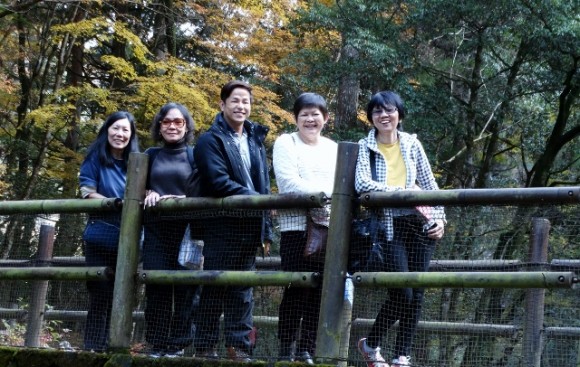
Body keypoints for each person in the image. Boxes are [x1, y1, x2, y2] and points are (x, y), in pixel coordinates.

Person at [354, 91, 445, 367]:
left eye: (390, 110)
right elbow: (362, 185)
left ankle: (401, 356)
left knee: (417, 293)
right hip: (388, 227)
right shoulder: (364, 146)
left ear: (399, 115)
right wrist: (403, 191)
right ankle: (371, 345)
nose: (384, 115)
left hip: (419, 225)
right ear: (371, 117)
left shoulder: (412, 145)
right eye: (378, 111)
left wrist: (440, 219)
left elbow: (430, 186)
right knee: (402, 291)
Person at [193, 80, 273, 362]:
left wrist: (264, 213)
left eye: (246, 101)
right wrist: (257, 199)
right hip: (223, 223)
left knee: (243, 289)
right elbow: (217, 181)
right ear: (222, 104)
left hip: (251, 224)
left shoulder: (254, 140)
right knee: (215, 285)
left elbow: (261, 181)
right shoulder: (209, 140)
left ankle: (238, 348)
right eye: (235, 100)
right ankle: (204, 347)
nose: (241, 106)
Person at [273, 93, 337, 364]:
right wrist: (325, 198)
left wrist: (329, 201)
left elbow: (342, 185)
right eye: (304, 114)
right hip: (295, 228)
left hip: (331, 228)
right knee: (296, 287)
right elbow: (288, 183)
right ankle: (285, 348)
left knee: (321, 290)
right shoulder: (286, 142)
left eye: (316, 114)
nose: (310, 119)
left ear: (325, 117)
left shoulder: (333, 147)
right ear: (296, 118)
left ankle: (307, 350)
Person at [142, 102, 199, 358]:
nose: (172, 126)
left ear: (186, 126)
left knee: (186, 288)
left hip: (187, 231)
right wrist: (149, 192)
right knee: (156, 287)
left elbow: (203, 189)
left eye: (178, 122)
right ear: (159, 125)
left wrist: (182, 197)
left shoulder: (195, 155)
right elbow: (136, 187)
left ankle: (178, 344)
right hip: (155, 229)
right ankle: (156, 343)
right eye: (167, 121)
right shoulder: (150, 155)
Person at [79, 111, 140, 352]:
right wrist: (116, 203)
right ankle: (94, 346)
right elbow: (86, 191)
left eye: (125, 130)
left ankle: (117, 345)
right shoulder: (95, 157)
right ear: (107, 130)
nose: (120, 134)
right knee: (100, 294)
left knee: (123, 294)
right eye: (116, 128)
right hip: (100, 235)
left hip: (131, 239)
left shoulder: (137, 162)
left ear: (131, 135)